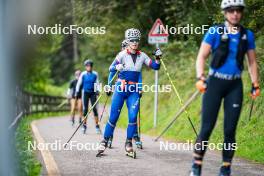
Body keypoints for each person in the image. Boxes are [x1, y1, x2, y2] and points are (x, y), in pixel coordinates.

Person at [190, 0, 260, 175]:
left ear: (241, 12)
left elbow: (251, 62)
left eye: (238, 10)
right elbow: (201, 57)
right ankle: (196, 166)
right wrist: (200, 77)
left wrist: (255, 84)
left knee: (230, 129)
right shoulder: (214, 32)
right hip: (214, 83)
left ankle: (225, 168)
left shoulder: (247, 35)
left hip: (234, 85)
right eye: (231, 10)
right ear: (225, 12)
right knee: (207, 127)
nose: (234, 14)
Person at [98, 28, 162, 155]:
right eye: (132, 40)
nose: (135, 42)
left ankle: (128, 142)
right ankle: (104, 140)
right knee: (114, 117)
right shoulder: (122, 55)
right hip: (120, 89)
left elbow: (156, 66)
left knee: (133, 117)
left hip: (133, 90)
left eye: (137, 40)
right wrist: (117, 66)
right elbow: (111, 68)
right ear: (127, 41)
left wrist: (158, 58)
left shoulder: (142, 55)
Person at [107, 39, 143, 149]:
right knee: (114, 114)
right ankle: (109, 137)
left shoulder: (135, 59)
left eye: (125, 47)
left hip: (132, 88)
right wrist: (109, 86)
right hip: (120, 88)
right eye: (123, 47)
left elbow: (139, 75)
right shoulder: (121, 58)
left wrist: (140, 88)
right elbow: (111, 73)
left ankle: (135, 136)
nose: (124, 49)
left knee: (133, 114)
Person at [75, 59, 101, 134]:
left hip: (93, 93)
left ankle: (97, 126)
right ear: (85, 67)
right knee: (85, 109)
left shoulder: (95, 74)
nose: (88, 67)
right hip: (85, 93)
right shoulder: (83, 74)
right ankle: (84, 125)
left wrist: (98, 90)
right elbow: (79, 83)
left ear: (92, 66)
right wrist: (77, 92)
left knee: (95, 109)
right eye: (87, 66)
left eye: (90, 66)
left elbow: (97, 82)